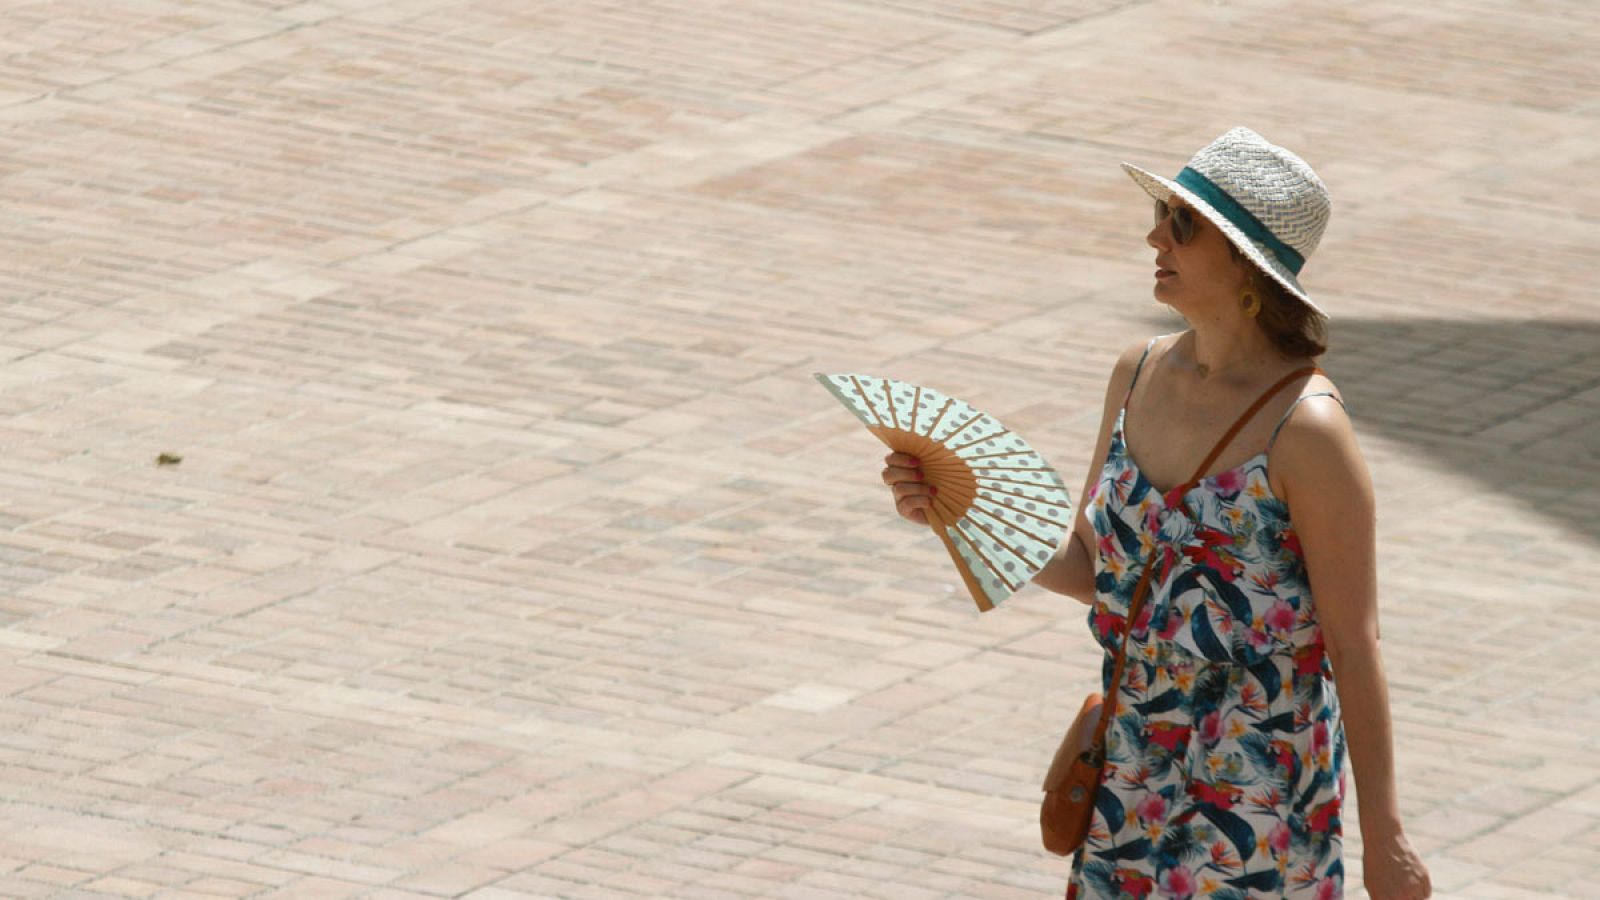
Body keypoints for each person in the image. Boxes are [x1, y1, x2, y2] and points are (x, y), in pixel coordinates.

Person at [881, 127, 1431, 899]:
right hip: (1130, 769)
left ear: (1246, 264)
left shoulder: (1306, 430)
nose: (1154, 236)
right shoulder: (1136, 371)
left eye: (1182, 223)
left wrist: (1387, 836)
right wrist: (960, 510)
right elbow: (1095, 572)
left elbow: (1354, 641)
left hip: (1258, 798)